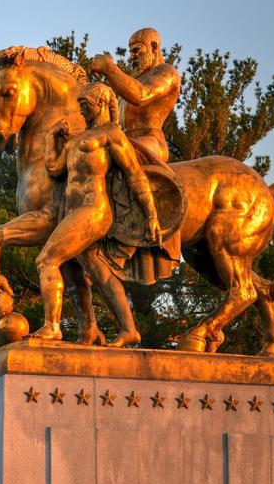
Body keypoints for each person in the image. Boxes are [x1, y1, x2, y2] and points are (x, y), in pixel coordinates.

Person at [34, 82, 161, 343]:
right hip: (72, 212)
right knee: (99, 272)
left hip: (94, 210)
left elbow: (135, 175)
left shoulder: (111, 133)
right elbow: (55, 168)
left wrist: (151, 215)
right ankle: (129, 329)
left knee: (46, 260)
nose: (81, 111)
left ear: (101, 102)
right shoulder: (77, 138)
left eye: (85, 105)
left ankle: (52, 326)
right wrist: (51, 139)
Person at [90, 27, 180, 163]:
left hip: (150, 141)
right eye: (130, 52)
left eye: (136, 50)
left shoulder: (167, 71)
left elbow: (141, 95)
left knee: (110, 158)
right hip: (124, 139)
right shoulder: (134, 80)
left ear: (154, 47)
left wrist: (109, 68)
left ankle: (137, 183)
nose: (131, 56)